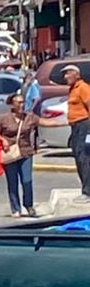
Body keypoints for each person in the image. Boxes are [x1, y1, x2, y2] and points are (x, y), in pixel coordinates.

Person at [0, 93, 39, 218]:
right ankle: (15, 208)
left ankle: (28, 205)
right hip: (10, 153)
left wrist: (66, 121)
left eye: (23, 102)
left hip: (26, 152)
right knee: (12, 182)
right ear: (12, 105)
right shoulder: (4, 118)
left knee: (27, 180)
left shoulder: (29, 117)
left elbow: (44, 122)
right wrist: (3, 140)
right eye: (19, 102)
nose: (22, 105)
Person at [62, 64, 90, 198]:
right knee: (78, 156)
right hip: (75, 126)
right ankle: (85, 188)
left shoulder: (83, 87)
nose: (65, 76)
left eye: (68, 73)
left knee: (84, 157)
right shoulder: (72, 89)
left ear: (76, 74)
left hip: (84, 125)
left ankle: (87, 191)